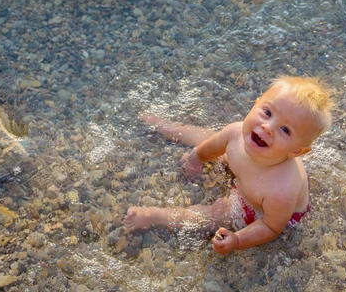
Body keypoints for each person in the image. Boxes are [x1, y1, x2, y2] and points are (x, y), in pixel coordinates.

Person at [124, 76, 333, 255]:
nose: (267, 127)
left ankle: (153, 216)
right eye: (267, 112)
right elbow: (212, 147)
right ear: (256, 103)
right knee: (209, 138)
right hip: (249, 176)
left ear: (296, 151)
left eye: (285, 130)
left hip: (260, 209)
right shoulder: (236, 133)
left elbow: (271, 226)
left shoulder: (281, 190)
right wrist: (195, 159)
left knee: (218, 213)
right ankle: (166, 127)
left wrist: (238, 240)